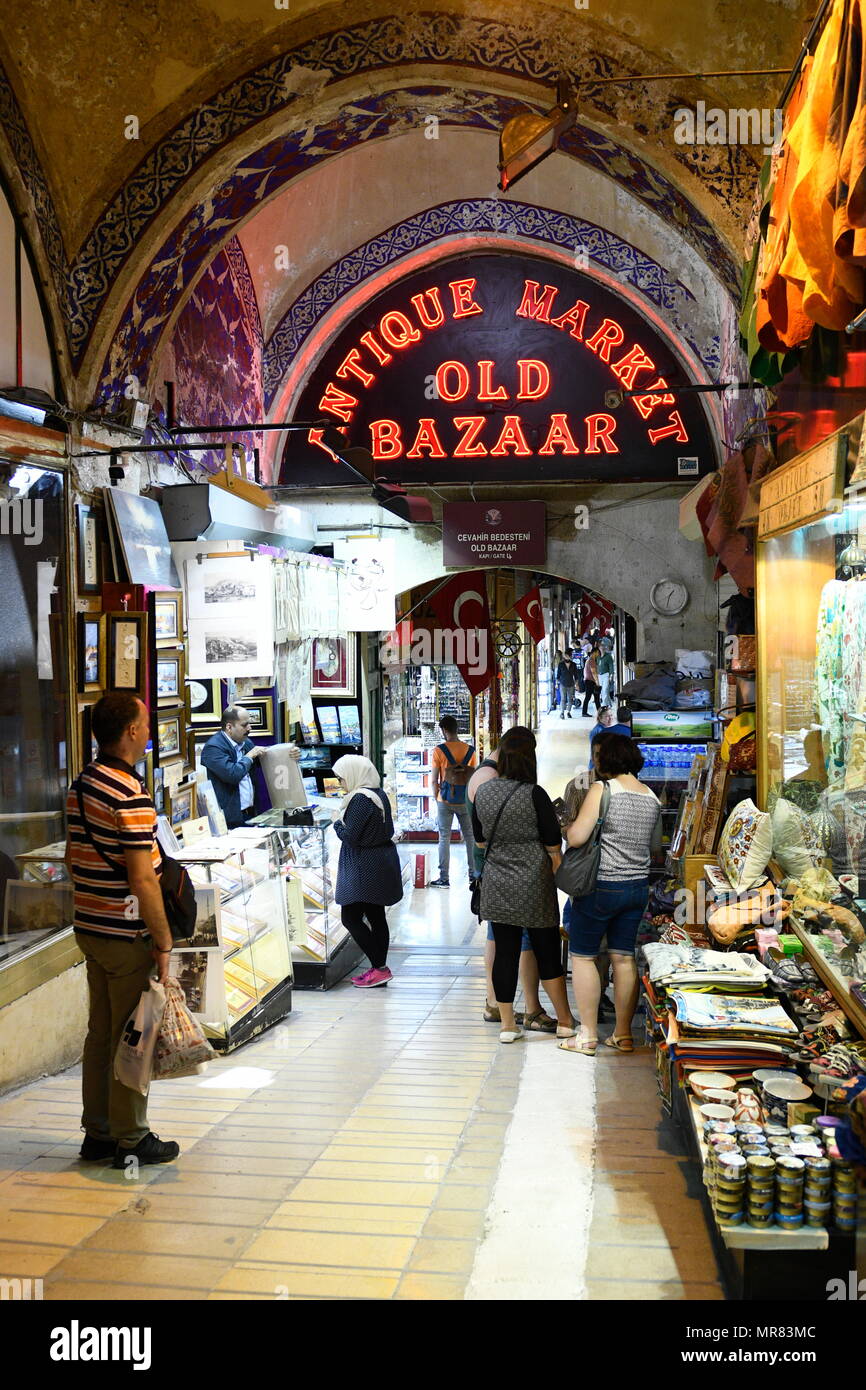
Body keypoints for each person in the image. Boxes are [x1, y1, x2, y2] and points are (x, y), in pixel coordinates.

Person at [65, 692, 179, 1169]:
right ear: (130, 731)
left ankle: (98, 1133)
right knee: (134, 1034)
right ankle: (131, 1136)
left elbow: (74, 857)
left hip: (90, 927)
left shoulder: (82, 784)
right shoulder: (128, 793)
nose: (150, 730)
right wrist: (164, 941)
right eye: (146, 723)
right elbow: (142, 878)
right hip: (125, 931)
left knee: (102, 1033)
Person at [560, 732, 661, 1057]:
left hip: (601, 886)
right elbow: (655, 848)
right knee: (624, 957)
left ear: (608, 759)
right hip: (636, 888)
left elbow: (577, 837)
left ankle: (587, 1036)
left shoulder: (603, 789)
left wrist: (565, 826)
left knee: (584, 956)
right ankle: (622, 1035)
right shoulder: (651, 796)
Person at [472, 736, 576, 1043]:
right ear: (530, 759)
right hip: (533, 882)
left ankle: (507, 1024)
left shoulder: (484, 792)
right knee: (546, 950)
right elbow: (553, 845)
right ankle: (566, 1021)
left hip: (497, 881)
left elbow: (480, 841)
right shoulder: (534, 794)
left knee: (505, 951)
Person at [332, 754, 403, 988]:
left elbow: (351, 836)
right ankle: (377, 968)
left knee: (350, 917)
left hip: (364, 866)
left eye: (341, 779)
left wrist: (336, 823)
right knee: (376, 915)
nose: (340, 784)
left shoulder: (360, 799)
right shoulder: (377, 793)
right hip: (378, 861)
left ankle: (379, 967)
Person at [428, 715, 476, 887]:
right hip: (465, 800)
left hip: (445, 800)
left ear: (444, 730)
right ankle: (473, 875)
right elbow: (473, 776)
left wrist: (437, 797)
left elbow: (434, 780)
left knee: (444, 837)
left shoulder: (439, 751)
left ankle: (444, 877)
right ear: (457, 729)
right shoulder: (470, 750)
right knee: (470, 837)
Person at [201, 707, 264, 829]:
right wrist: (250, 755)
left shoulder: (245, 742)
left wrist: (287, 752)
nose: (249, 728)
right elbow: (232, 775)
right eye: (244, 725)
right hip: (230, 821)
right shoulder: (213, 748)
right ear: (229, 727)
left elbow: (263, 760)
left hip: (251, 814)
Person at [556, 651, 579, 719]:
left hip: (571, 683)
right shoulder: (561, 664)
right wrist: (557, 683)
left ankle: (568, 712)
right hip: (563, 683)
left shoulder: (573, 664)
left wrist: (577, 684)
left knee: (570, 699)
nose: (567, 657)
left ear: (570, 657)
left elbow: (576, 675)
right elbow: (558, 675)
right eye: (566, 656)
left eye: (568, 656)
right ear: (564, 656)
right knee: (563, 698)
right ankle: (562, 712)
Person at [581, 644, 602, 718]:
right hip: (590, 682)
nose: (598, 655)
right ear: (595, 652)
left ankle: (599, 713)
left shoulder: (589, 660)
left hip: (589, 681)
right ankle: (585, 712)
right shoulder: (591, 660)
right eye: (598, 653)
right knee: (589, 697)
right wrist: (597, 682)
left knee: (596, 698)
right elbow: (594, 672)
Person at [597, 641, 615, 708]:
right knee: (603, 691)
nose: (602, 649)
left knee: (605, 689)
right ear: (599, 648)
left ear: (605, 648)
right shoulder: (598, 657)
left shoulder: (608, 656)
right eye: (601, 647)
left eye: (603, 647)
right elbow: (597, 666)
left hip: (606, 675)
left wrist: (611, 675)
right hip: (599, 675)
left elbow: (611, 666)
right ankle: (609, 703)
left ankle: (604, 705)